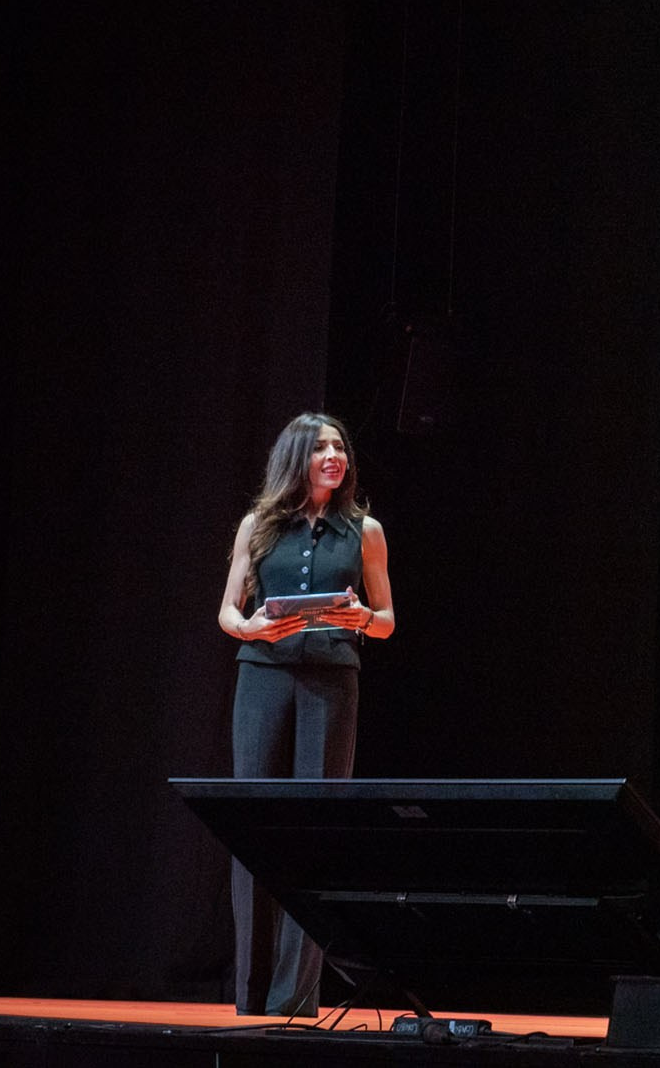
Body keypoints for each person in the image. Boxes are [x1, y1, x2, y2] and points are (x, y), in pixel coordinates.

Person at [216, 412, 394, 1017]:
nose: (333, 455)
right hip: (262, 677)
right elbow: (228, 613)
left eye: (339, 445)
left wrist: (361, 619)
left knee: (316, 828)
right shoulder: (258, 526)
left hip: (332, 679)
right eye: (320, 447)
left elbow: (388, 618)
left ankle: (296, 995)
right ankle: (251, 992)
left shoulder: (363, 530)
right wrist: (253, 629)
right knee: (254, 825)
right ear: (296, 457)